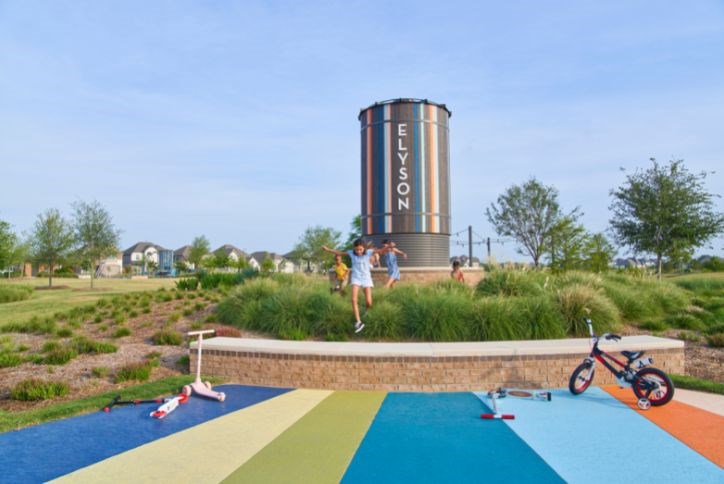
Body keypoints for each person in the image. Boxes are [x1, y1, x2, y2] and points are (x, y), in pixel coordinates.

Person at [323, 239, 386, 333]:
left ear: (364, 248)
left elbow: (380, 251)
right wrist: (328, 250)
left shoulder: (368, 252)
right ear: (354, 249)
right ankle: (358, 322)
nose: (359, 251)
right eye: (357, 250)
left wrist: (388, 247)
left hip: (366, 279)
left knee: (369, 302)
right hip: (356, 278)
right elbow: (339, 252)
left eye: (360, 249)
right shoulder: (351, 253)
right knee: (353, 300)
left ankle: (366, 310)